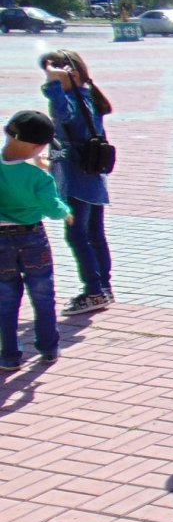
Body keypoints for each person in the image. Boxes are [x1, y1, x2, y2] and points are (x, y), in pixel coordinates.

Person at [39, 49, 114, 315]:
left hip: (76, 179)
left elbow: (63, 113)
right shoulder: (88, 97)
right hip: (91, 176)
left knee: (77, 234)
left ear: (73, 73)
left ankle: (94, 291)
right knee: (95, 234)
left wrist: (53, 85)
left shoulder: (73, 99)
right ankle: (103, 287)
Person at [1, 110, 70, 371]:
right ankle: (48, 347)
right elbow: (53, 209)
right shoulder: (39, 177)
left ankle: (8, 355)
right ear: (36, 147)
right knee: (42, 293)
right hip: (31, 235)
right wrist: (66, 212)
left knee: (5, 298)